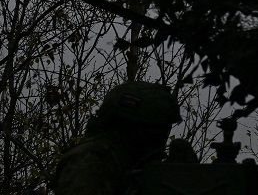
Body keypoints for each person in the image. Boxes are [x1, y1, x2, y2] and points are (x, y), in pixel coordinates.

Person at [54, 81, 182, 195]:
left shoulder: (129, 164)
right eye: (155, 129)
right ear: (131, 126)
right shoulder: (92, 159)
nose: (159, 138)